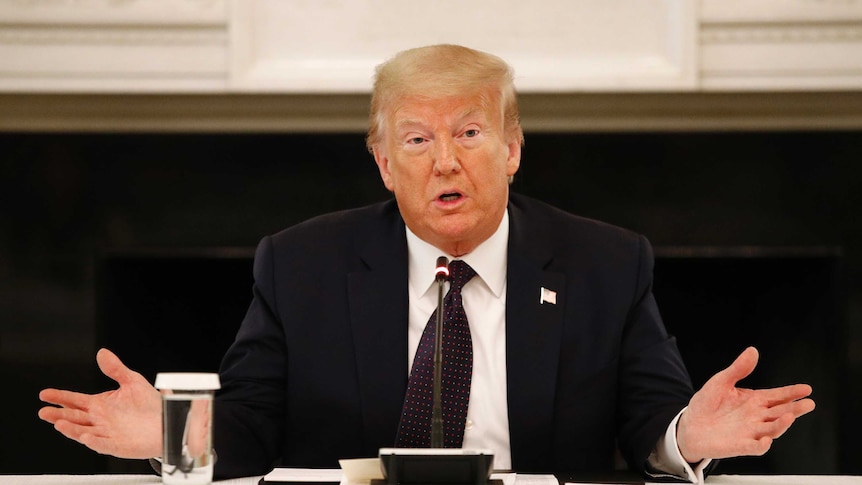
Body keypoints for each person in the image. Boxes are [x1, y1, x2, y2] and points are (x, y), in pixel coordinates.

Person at [38, 44, 815, 482]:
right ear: (382, 162)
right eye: (416, 140)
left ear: (511, 149)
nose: (445, 161)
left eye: (470, 135)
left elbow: (652, 425)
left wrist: (694, 436)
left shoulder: (605, 262)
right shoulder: (301, 263)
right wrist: (170, 434)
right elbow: (249, 424)